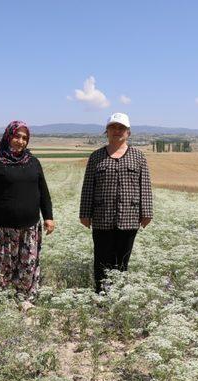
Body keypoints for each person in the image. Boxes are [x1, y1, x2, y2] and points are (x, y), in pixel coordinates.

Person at [0, 120, 55, 298]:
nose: (21, 141)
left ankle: (26, 299)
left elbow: (43, 191)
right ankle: (3, 300)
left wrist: (48, 217)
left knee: (28, 265)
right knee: (3, 266)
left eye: (25, 138)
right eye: (17, 136)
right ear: (8, 136)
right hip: (2, 228)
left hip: (30, 227)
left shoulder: (33, 162)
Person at [79, 112, 153, 293]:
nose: (117, 131)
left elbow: (145, 185)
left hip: (129, 218)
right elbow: (88, 186)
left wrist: (147, 212)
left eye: (121, 128)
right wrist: (85, 214)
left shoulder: (138, 156)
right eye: (113, 127)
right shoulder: (96, 157)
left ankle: (120, 294)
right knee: (102, 260)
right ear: (107, 131)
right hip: (102, 218)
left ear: (128, 132)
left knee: (122, 260)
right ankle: (101, 296)